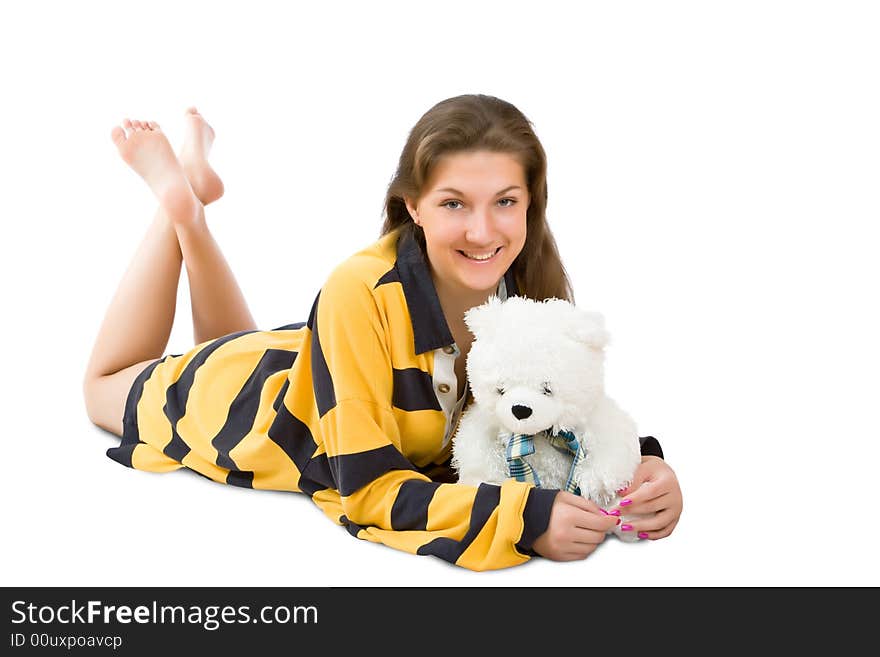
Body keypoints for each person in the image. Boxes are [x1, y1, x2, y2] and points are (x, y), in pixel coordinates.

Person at [83, 95, 683, 571]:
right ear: (413, 205)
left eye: (504, 201)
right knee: (104, 386)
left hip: (304, 371)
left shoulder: (528, 298)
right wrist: (520, 520)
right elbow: (365, 491)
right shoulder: (359, 286)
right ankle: (178, 208)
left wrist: (642, 471)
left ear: (531, 204)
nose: (482, 231)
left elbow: (566, 412)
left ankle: (192, 196)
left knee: (237, 348)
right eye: (454, 204)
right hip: (249, 409)